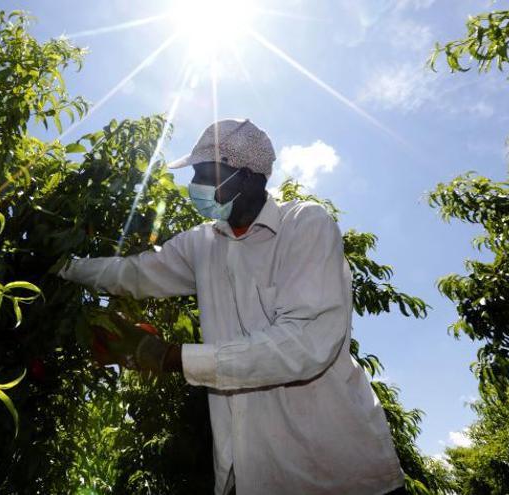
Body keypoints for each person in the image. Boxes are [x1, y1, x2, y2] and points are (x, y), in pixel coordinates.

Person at [57, 119, 406, 495]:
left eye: (206, 174)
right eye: (195, 176)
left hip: (339, 471)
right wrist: (64, 268)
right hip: (254, 476)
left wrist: (172, 357)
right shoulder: (202, 244)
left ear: (250, 177)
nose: (196, 188)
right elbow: (134, 273)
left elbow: (306, 342)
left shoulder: (304, 224)